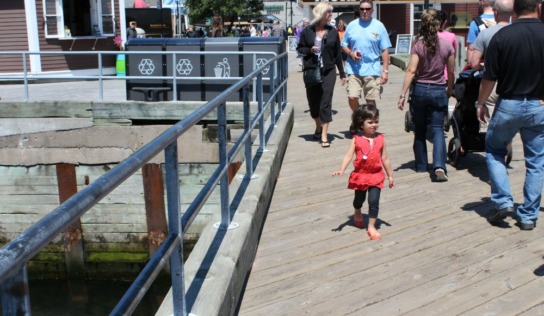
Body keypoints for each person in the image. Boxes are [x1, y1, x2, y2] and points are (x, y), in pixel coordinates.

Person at [475, 0, 544, 230]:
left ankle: (503, 200)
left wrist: (481, 103)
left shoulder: (502, 37)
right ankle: (528, 216)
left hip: (509, 104)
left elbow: (489, 77)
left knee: (494, 149)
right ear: (539, 8)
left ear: (514, 11)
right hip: (539, 104)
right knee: (536, 161)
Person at [397, 9, 455, 181]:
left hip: (421, 90)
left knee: (420, 129)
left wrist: (402, 94)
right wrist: (449, 89)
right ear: (438, 24)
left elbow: (411, 70)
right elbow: (451, 71)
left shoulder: (418, 45)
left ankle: (421, 165)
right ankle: (439, 166)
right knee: (437, 130)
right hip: (439, 90)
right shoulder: (447, 45)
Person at [332, 104, 394, 240]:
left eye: (376, 121)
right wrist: (341, 169)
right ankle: (357, 211)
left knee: (374, 201)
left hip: (376, 176)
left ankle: (371, 226)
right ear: (361, 124)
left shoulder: (381, 139)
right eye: (370, 122)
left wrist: (390, 175)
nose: (374, 125)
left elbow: (385, 158)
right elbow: (348, 156)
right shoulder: (356, 140)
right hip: (361, 175)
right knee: (358, 200)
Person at [297, 2, 346, 148]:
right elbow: (300, 49)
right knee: (313, 103)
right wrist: (309, 50)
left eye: (331, 12)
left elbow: (337, 53)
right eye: (328, 12)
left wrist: (342, 73)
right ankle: (318, 125)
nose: (331, 14)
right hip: (311, 70)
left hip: (329, 71)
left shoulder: (332, 31)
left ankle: (324, 135)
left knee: (326, 102)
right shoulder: (307, 31)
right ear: (320, 14)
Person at [341, 0, 391, 133]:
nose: (364, 11)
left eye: (367, 9)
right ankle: (358, 120)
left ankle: (368, 128)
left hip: (373, 69)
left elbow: (385, 50)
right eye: (362, 9)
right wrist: (351, 53)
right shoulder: (352, 25)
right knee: (352, 97)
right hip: (354, 68)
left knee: (371, 102)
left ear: (372, 10)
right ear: (359, 10)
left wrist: (385, 71)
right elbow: (343, 45)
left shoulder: (379, 26)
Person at [437, 10, 458, 81]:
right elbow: (454, 56)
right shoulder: (452, 36)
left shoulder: (428, 36)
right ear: (445, 22)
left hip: (429, 76)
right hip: (447, 75)